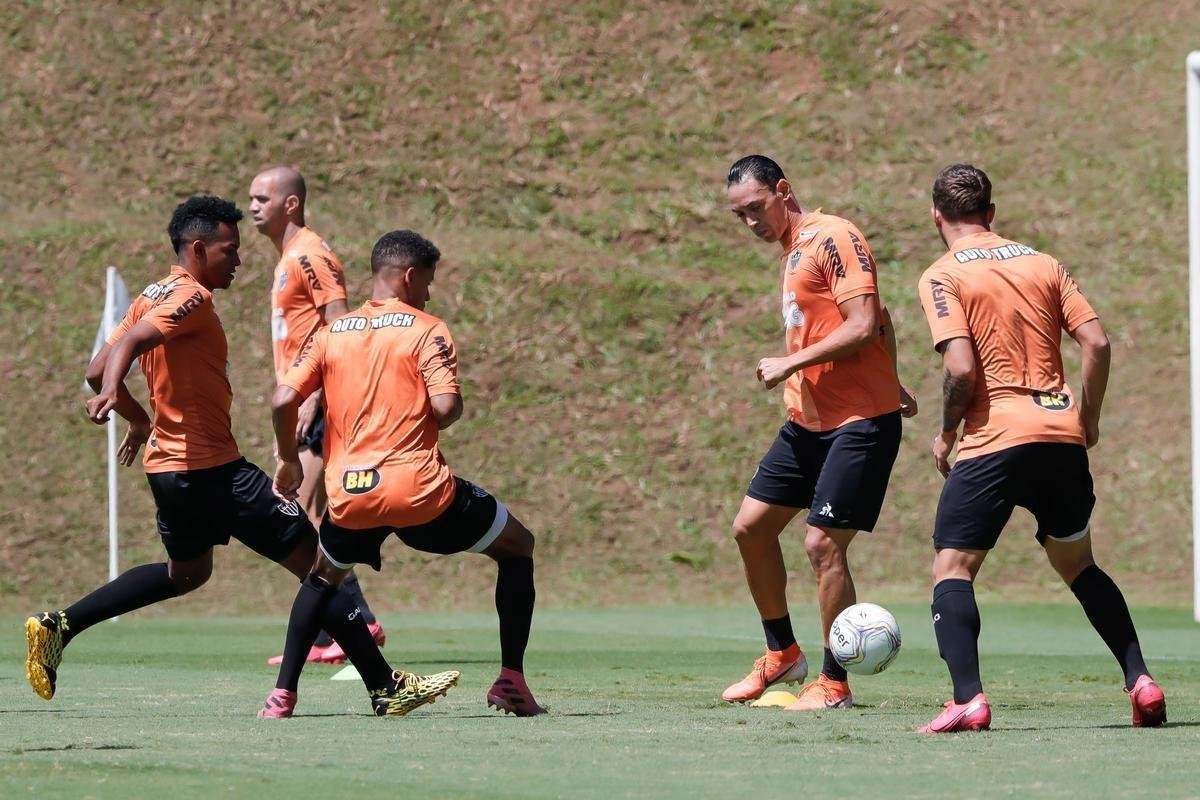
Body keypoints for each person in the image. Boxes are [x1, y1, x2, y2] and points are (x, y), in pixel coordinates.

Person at [24, 196, 447, 718]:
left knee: (187, 574)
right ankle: (385, 687)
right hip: (213, 471)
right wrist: (117, 395)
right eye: (230, 250)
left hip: (168, 472)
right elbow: (128, 345)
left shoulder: (149, 293)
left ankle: (59, 626)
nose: (239, 261)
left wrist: (135, 416)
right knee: (320, 563)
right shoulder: (191, 297)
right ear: (198, 249)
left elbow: (95, 366)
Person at [915, 164, 1166, 733]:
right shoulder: (1042, 262)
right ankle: (1141, 680)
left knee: (953, 568)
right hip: (1060, 434)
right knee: (1079, 564)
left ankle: (967, 699)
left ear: (937, 216)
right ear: (992, 213)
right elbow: (1096, 341)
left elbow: (959, 368)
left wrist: (948, 431)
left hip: (994, 440)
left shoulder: (942, 274)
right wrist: (1089, 417)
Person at [259, 229, 545, 718]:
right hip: (421, 494)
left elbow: (284, 398)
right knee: (518, 546)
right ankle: (511, 680)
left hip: (351, 495)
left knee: (322, 578)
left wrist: (288, 458)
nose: (429, 292)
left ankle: (282, 696)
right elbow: (446, 406)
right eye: (428, 282)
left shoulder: (330, 333)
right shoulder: (427, 329)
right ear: (410, 276)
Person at [722, 155, 917, 711]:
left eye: (757, 209)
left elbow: (865, 321)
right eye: (740, 216)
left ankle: (834, 684)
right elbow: (884, 324)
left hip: (859, 423)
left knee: (821, 544)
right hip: (807, 420)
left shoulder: (835, 236)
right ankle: (782, 653)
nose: (751, 223)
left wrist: (791, 363)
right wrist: (895, 374)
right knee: (750, 529)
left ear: (783, 191)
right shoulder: (792, 251)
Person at [248, 166, 385, 665]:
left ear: (291, 204)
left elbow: (339, 326)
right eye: (250, 198)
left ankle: (349, 624)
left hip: (319, 402)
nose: (252, 207)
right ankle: (347, 623)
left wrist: (313, 396)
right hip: (304, 399)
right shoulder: (287, 258)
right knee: (305, 516)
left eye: (263, 197)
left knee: (296, 514)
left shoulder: (311, 254)